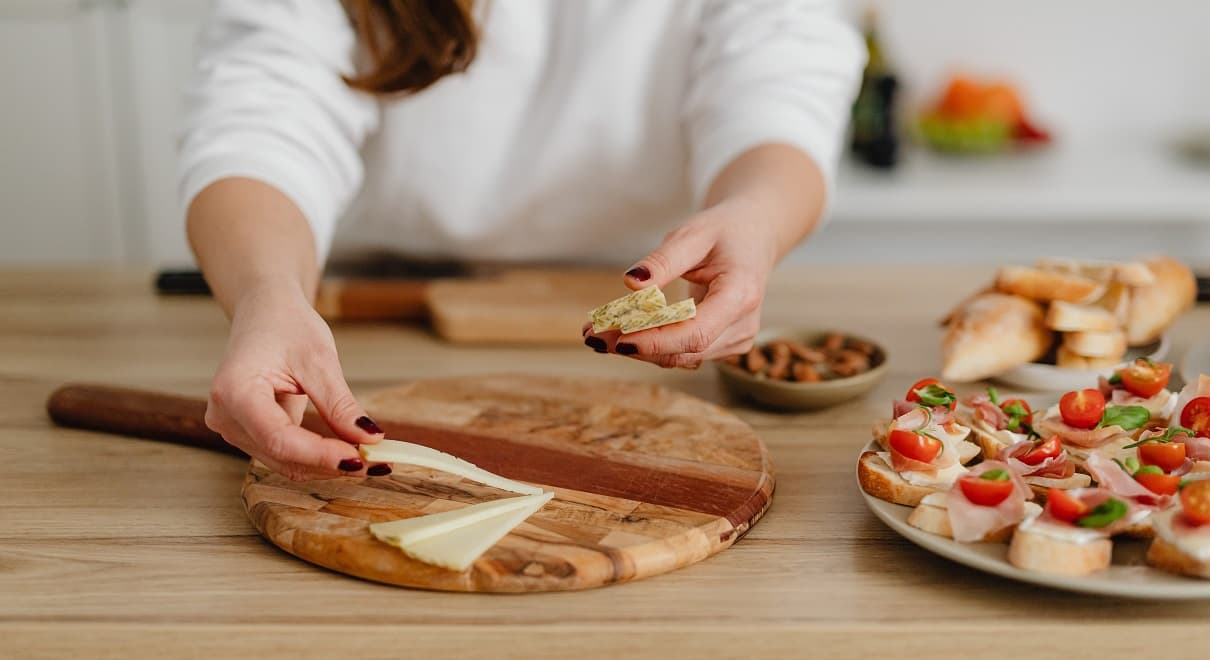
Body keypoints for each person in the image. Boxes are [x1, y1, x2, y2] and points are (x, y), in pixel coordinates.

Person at [180, 0, 865, 481]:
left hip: (649, 288)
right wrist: (267, 292)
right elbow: (261, 118)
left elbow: (783, 83)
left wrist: (754, 216)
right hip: (344, 312)